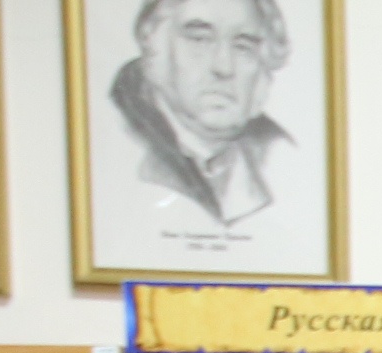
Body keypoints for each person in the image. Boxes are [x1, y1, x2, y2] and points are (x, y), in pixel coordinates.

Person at [111, 0, 297, 227]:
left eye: (243, 47)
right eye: (199, 39)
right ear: (155, 45)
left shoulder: (282, 154)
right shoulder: (114, 141)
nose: (223, 67)